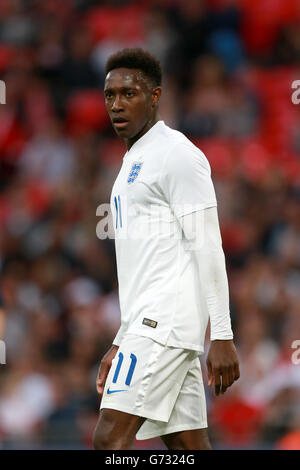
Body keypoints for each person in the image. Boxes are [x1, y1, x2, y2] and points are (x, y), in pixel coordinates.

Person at [93, 48, 240, 450]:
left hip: (163, 327)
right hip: (151, 327)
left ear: (155, 96)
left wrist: (222, 335)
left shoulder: (177, 154)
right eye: (110, 96)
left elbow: (208, 245)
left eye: (129, 94)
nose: (117, 104)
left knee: (109, 443)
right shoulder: (129, 164)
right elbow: (143, 266)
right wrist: (122, 337)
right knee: (187, 448)